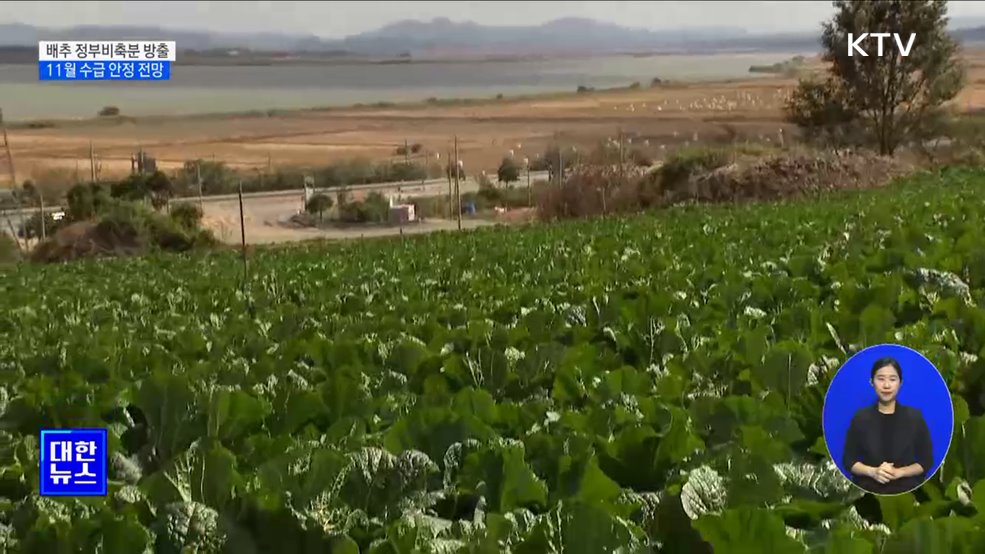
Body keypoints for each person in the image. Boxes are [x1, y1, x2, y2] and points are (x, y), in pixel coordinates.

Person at [842, 357, 934, 495]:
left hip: (908, 489)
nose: (886, 385)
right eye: (881, 379)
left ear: (900, 383)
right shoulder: (860, 418)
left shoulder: (914, 417)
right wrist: (873, 472)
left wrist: (900, 472)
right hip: (867, 489)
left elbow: (926, 461)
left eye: (892, 379)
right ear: (872, 382)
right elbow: (849, 460)